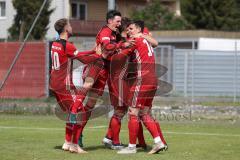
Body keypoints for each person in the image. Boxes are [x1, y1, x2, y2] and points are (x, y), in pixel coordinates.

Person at [49, 18, 103, 154]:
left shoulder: (55, 43)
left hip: (54, 84)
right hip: (64, 85)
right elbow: (83, 59)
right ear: (66, 29)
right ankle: (74, 145)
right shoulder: (67, 45)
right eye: (70, 25)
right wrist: (97, 56)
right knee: (80, 113)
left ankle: (67, 143)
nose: (72, 27)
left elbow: (77, 54)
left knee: (70, 114)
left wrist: (92, 52)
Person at [117, 20, 166, 154]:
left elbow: (122, 53)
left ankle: (132, 147)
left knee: (133, 112)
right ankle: (158, 142)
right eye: (128, 29)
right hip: (152, 80)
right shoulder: (145, 40)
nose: (129, 31)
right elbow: (155, 43)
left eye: (131, 29)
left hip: (142, 80)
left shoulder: (136, 40)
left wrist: (118, 46)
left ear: (138, 29)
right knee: (144, 113)